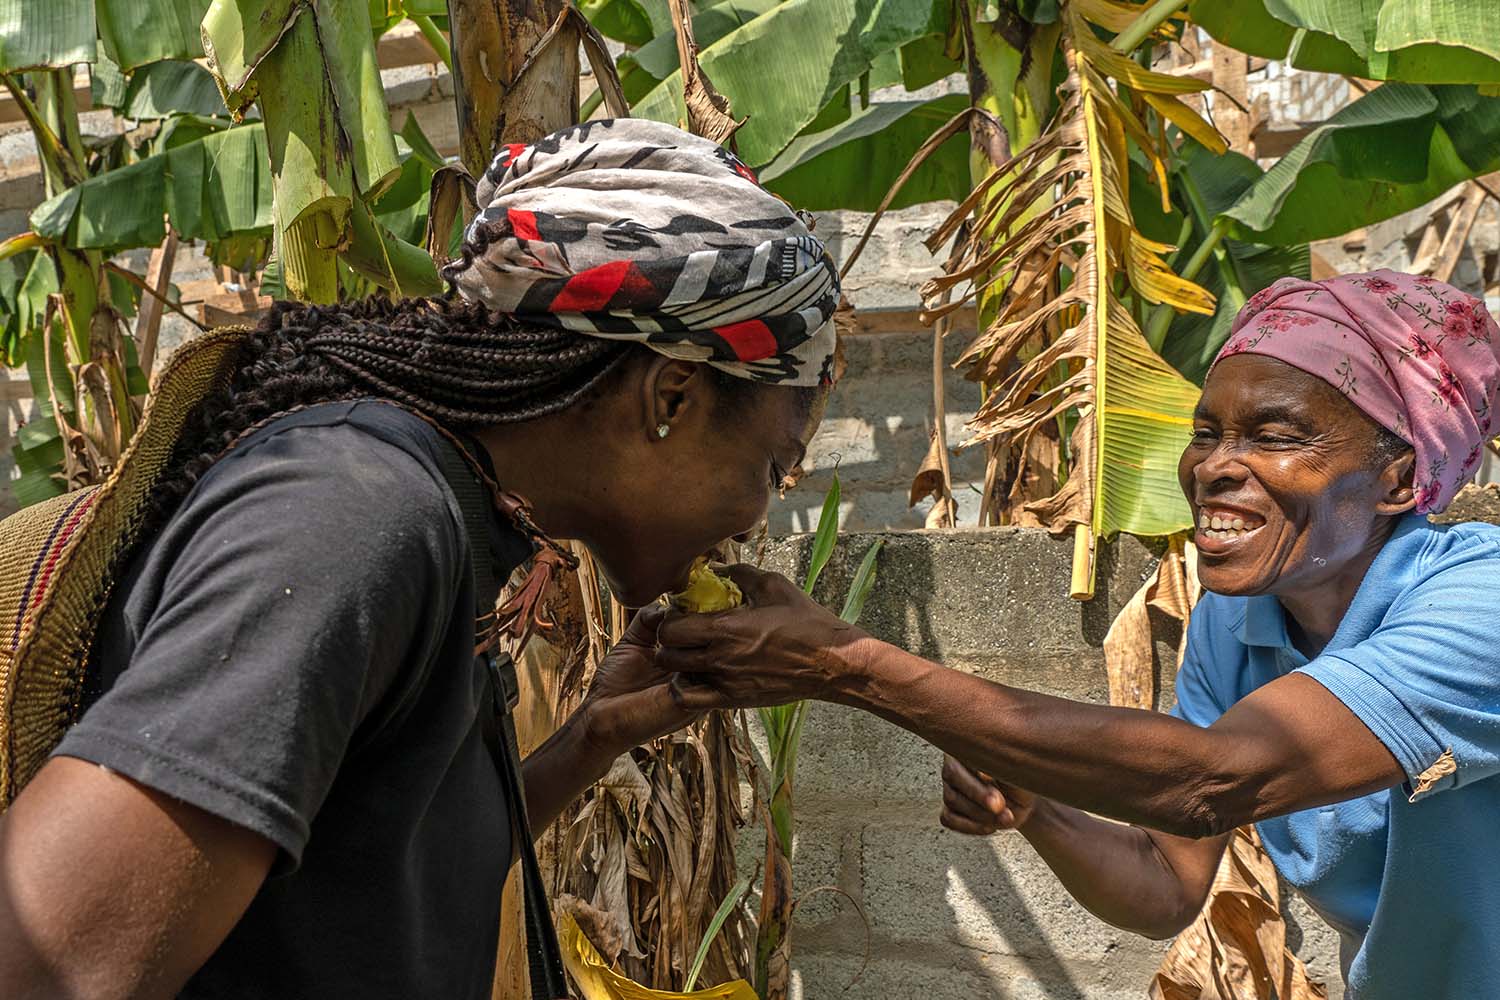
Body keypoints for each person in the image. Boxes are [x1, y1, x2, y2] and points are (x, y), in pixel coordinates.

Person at [0, 119, 837, 999]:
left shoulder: (451, 514)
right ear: (672, 395)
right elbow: (46, 967)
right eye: (772, 469)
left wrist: (593, 735)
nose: (754, 520)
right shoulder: (358, 518)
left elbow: (363, 875)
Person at [655, 269, 1500, 999]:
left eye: (1274, 436)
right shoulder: (1238, 625)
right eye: (1207, 433)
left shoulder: (1480, 601)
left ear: (1396, 479)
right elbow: (1168, 882)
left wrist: (845, 665)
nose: (1213, 466)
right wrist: (1040, 807)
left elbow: (1217, 780)